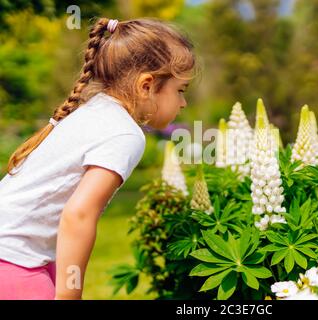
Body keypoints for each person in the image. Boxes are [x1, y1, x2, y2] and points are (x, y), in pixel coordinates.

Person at [0, 17, 196, 300]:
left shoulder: (96, 112)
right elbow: (78, 215)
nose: (183, 102)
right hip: (14, 263)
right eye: (180, 90)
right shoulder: (124, 134)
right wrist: (70, 294)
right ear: (147, 85)